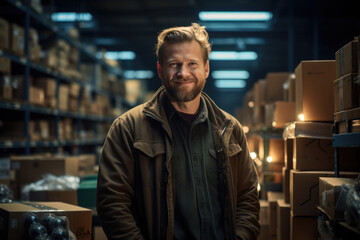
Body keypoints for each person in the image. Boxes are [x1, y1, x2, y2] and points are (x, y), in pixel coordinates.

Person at [96, 23, 260, 240]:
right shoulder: (127, 128)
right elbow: (112, 202)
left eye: (192, 63)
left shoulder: (229, 129)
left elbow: (248, 196)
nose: (183, 73)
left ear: (206, 68)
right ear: (160, 70)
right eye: (174, 64)